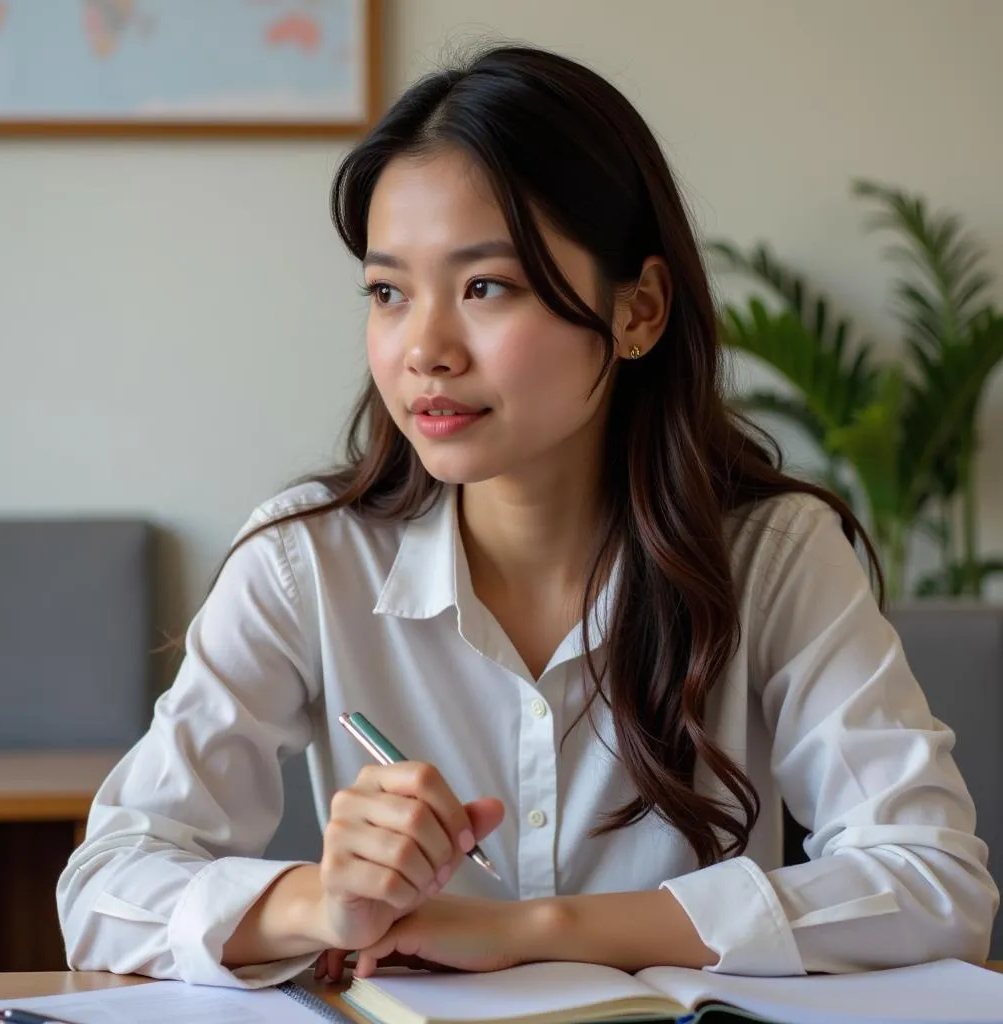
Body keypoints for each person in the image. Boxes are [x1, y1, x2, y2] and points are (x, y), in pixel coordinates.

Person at [57, 43, 997, 988]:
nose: (424, 348)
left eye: (485, 287)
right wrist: (320, 902)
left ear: (639, 310)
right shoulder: (308, 560)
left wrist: (537, 928)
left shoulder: (773, 555)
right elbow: (104, 885)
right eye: (388, 292)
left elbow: (935, 883)